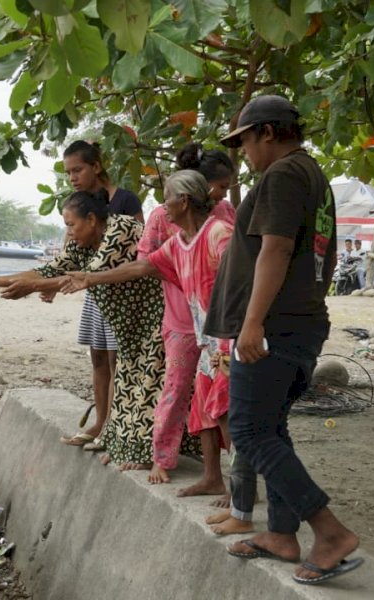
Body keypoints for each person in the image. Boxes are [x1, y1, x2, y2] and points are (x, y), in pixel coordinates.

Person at [206, 95, 362, 584]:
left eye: (245, 141)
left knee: (250, 432)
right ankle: (280, 532)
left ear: (268, 133)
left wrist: (253, 324)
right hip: (301, 319)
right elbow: (324, 258)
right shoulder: (312, 175)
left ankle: (330, 532)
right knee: (270, 429)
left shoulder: (282, 175)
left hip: (276, 326)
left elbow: (275, 249)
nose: (244, 153)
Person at [64, 171, 233, 495]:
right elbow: (142, 266)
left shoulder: (218, 234)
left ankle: (241, 493)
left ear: (183, 201)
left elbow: (241, 279)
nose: (162, 206)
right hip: (202, 336)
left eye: (167, 198)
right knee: (202, 408)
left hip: (225, 340)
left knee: (227, 412)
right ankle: (213, 477)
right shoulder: (179, 243)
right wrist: (91, 278)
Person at [0, 189, 165, 469]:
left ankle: (147, 455)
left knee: (148, 388)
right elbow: (51, 270)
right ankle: (128, 448)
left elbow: (87, 276)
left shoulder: (120, 229)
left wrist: (32, 287)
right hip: (128, 324)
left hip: (156, 316)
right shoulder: (83, 241)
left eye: (71, 225)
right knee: (127, 387)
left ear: (91, 219)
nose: (69, 232)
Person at [138, 143, 236, 488]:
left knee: (220, 402)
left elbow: (235, 269)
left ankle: (235, 483)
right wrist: (183, 271)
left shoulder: (221, 221)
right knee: (181, 391)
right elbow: (147, 261)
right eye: (221, 186)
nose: (222, 194)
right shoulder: (165, 219)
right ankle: (169, 460)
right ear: (201, 187)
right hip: (183, 318)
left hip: (219, 328)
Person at [56, 141, 144, 448]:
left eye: (78, 170)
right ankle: (101, 422)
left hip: (120, 292)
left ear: (96, 166)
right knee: (98, 357)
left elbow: (139, 249)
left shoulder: (125, 201)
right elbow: (72, 251)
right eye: (68, 173)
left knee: (116, 358)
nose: (73, 178)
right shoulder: (81, 205)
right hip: (93, 290)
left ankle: (115, 426)